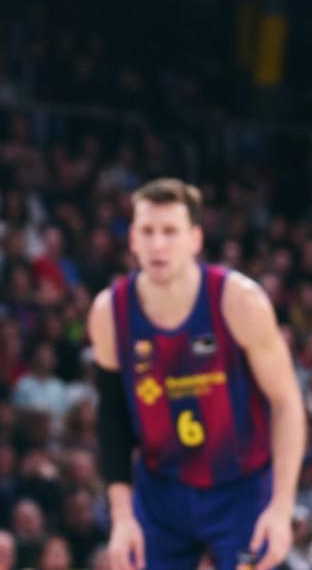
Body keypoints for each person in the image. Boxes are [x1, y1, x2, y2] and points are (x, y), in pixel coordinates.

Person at [89, 178, 304, 570]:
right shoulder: (109, 313)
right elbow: (112, 419)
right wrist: (121, 517)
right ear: (132, 239)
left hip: (241, 489)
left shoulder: (240, 301)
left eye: (170, 232)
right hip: (160, 494)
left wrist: (281, 505)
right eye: (147, 231)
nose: (157, 244)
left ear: (195, 238)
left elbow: (287, 403)